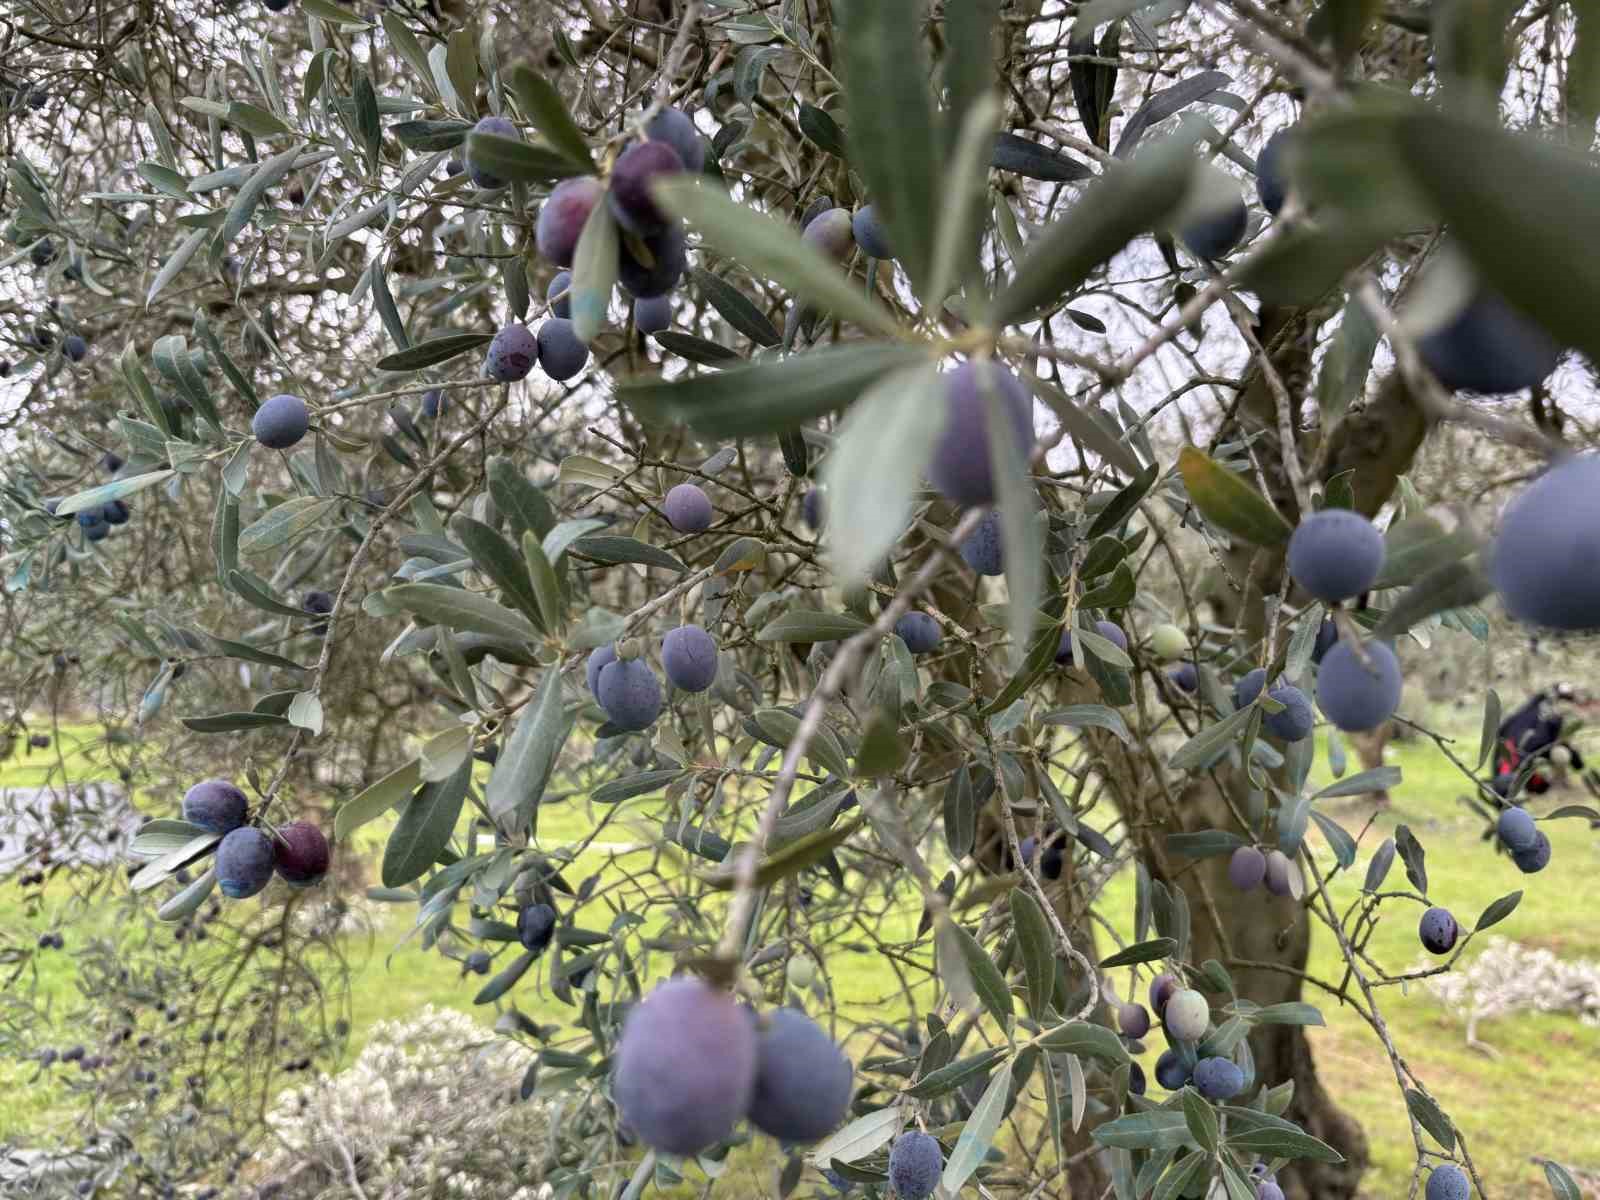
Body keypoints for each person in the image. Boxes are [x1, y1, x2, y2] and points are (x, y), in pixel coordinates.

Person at [1489, 685, 1585, 797]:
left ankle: (1545, 784)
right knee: (1560, 754)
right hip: (1518, 758)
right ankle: (1550, 785)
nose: (1566, 705)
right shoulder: (1547, 717)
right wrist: (1578, 763)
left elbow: (1502, 730)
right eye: (1564, 700)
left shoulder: (1530, 709)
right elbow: (1544, 742)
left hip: (1515, 757)